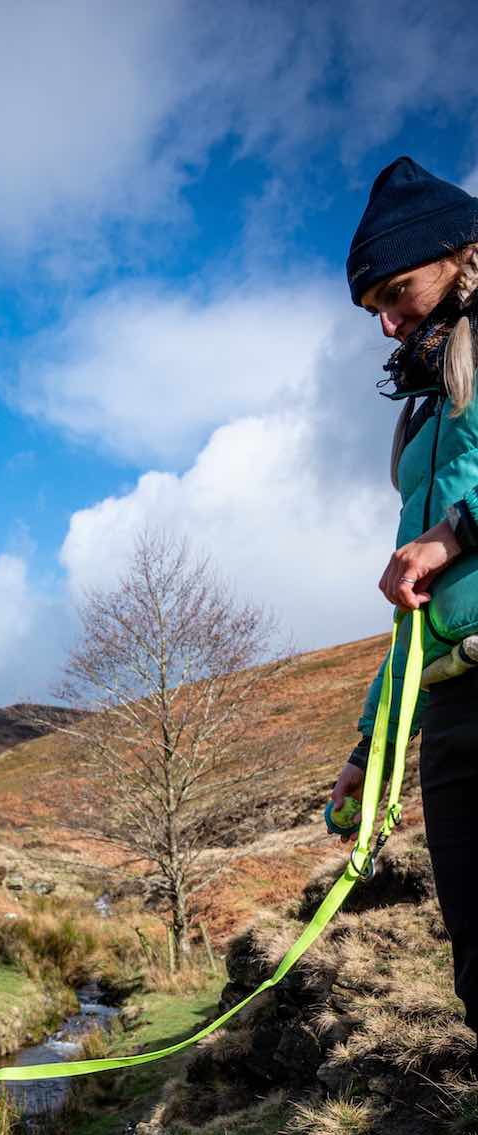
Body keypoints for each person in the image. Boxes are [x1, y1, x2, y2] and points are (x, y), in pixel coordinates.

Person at [331, 156, 478, 1052]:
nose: (386, 322)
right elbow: (417, 611)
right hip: (451, 711)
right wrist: (368, 749)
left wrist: (458, 528)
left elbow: (441, 552)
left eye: (398, 290)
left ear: (464, 255)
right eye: (372, 309)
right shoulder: (420, 418)